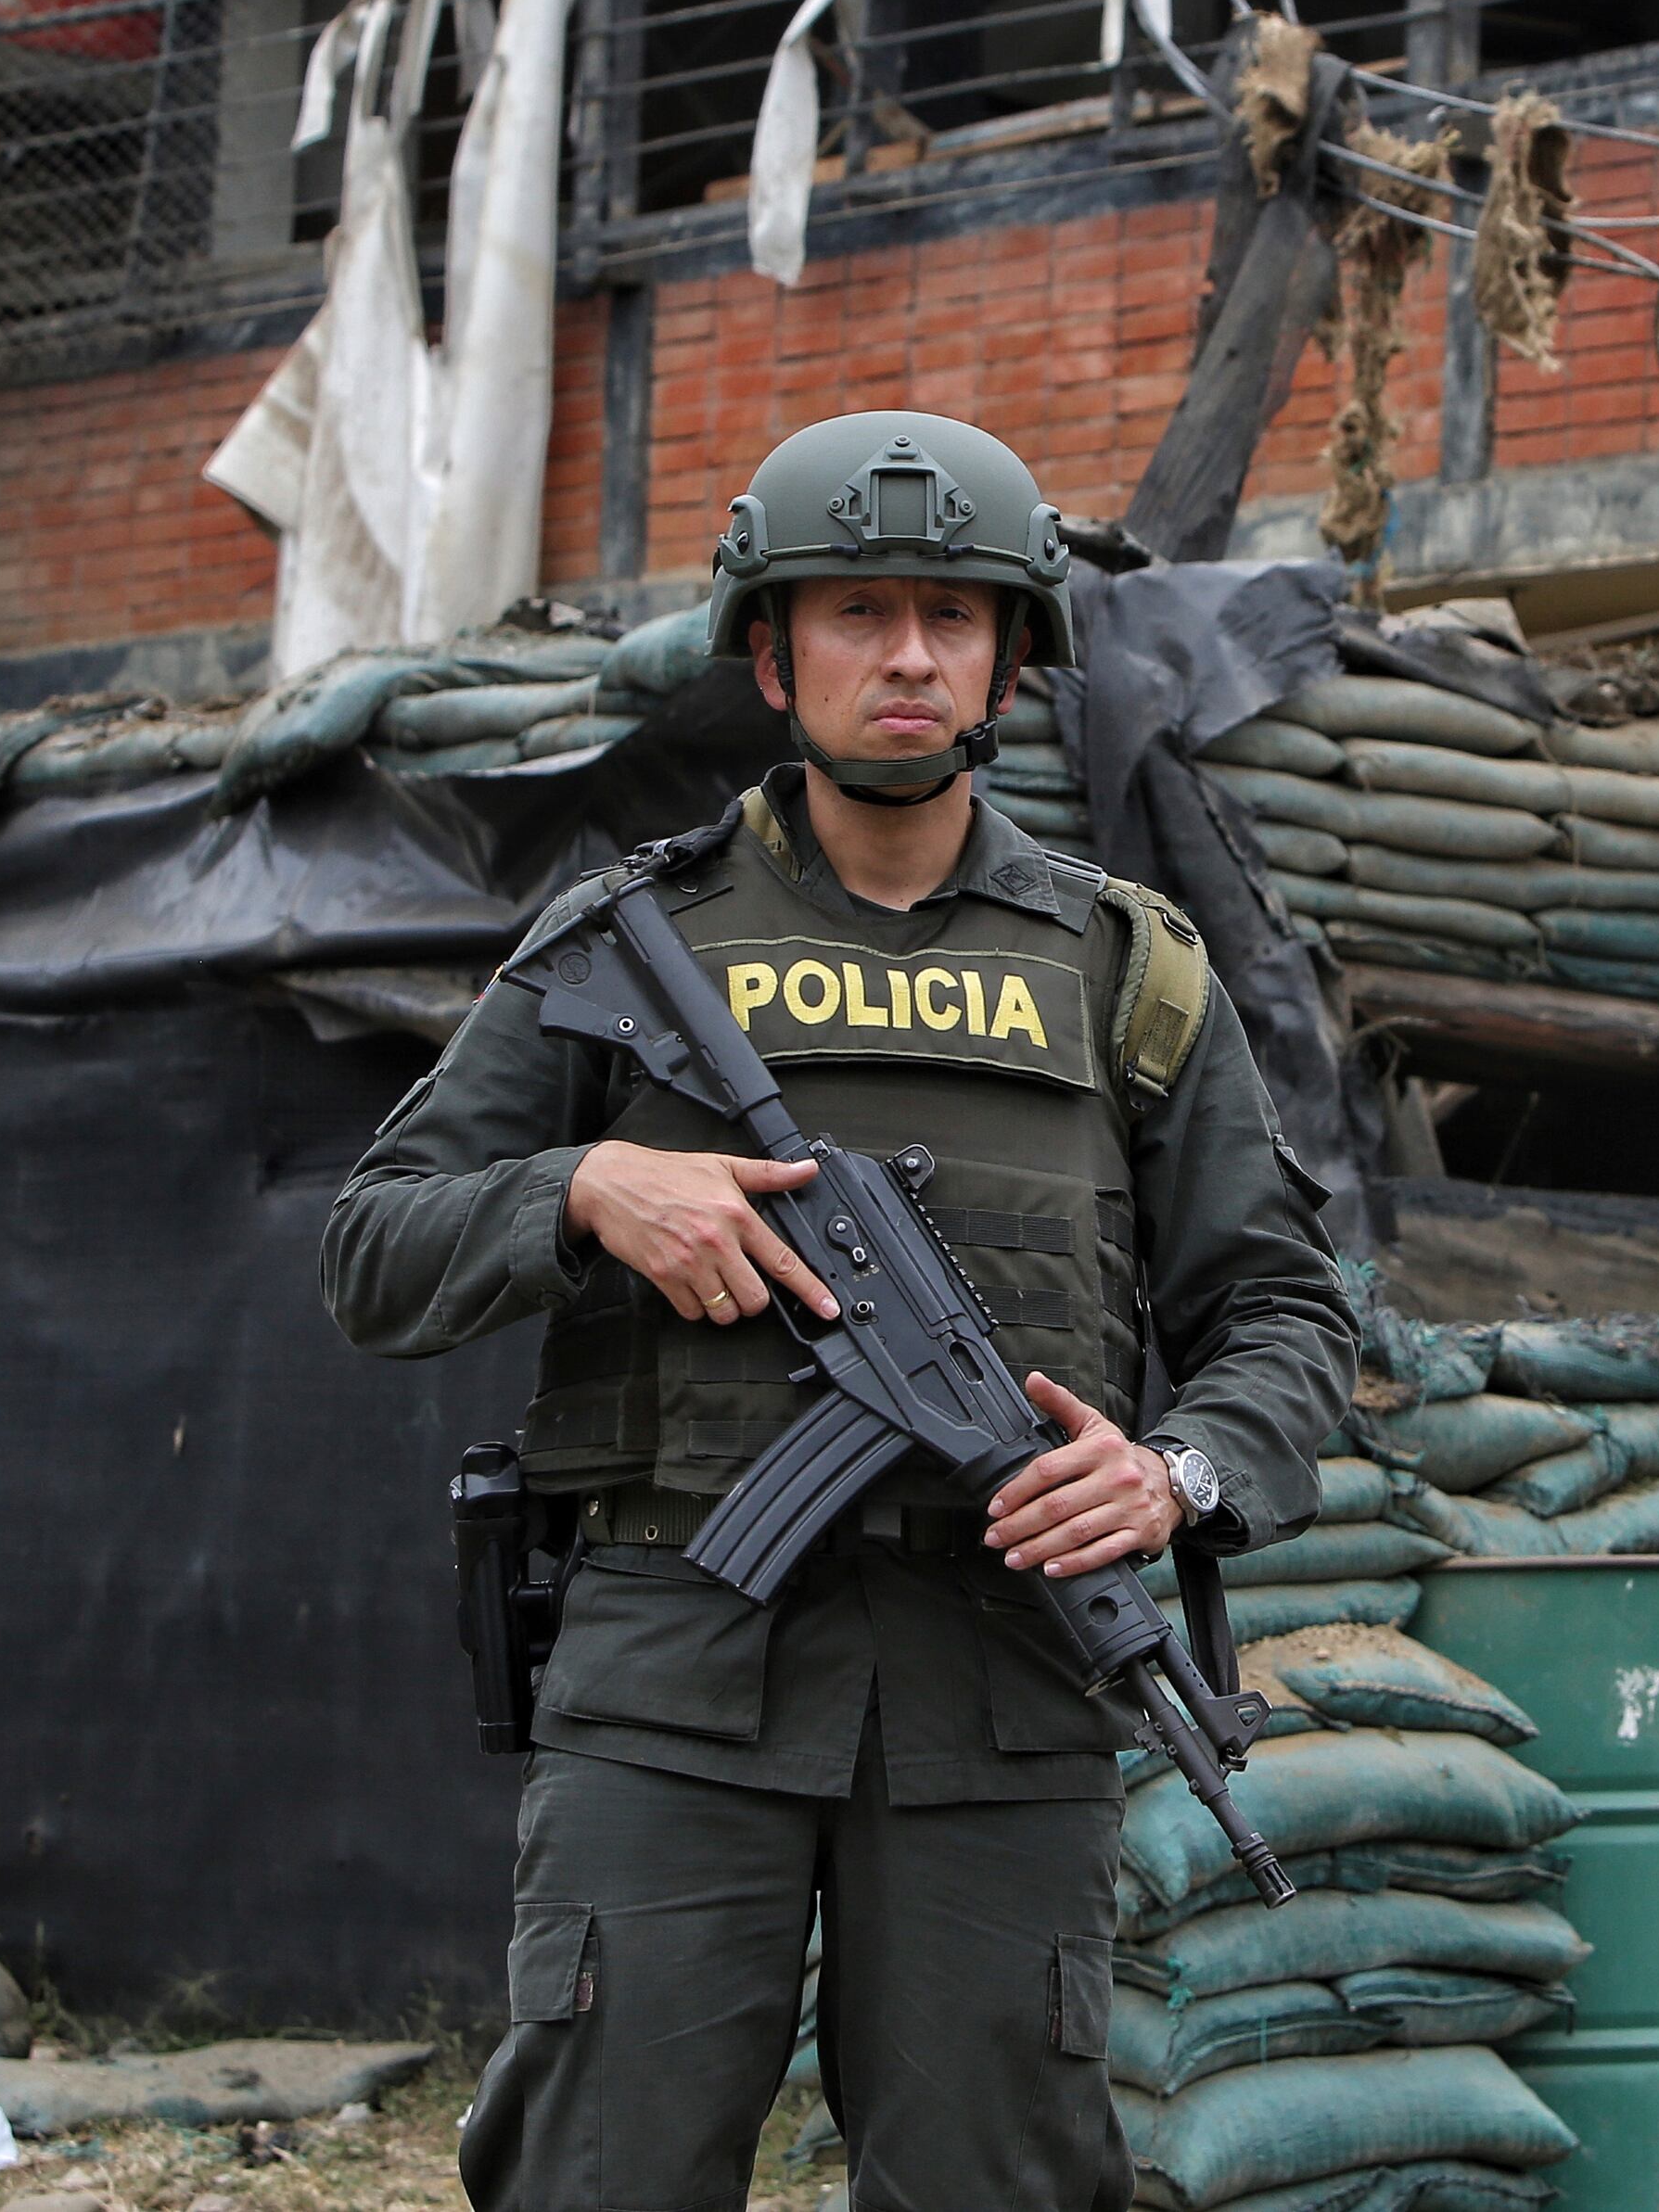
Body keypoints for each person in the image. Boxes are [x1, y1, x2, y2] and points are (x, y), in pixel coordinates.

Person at [325, 412, 1356, 2212]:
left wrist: (1173, 1473)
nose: (906, 654)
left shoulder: (1120, 966)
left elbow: (1282, 1308)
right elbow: (375, 1250)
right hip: (677, 1673)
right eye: (858, 610)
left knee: (999, 2179)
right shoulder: (616, 947)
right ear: (766, 650)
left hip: (1004, 1676)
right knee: (602, 2169)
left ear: (1011, 660)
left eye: (954, 618)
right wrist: (585, 1189)